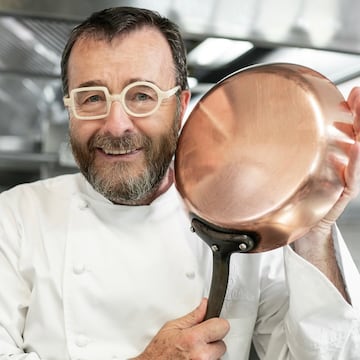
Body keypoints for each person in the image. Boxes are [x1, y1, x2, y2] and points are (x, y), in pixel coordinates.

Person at [0, 6, 359, 360]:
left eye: (142, 95)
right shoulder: (15, 218)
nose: (115, 125)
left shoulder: (242, 221)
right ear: (69, 110)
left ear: (181, 105)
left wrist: (314, 228)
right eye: (91, 98)